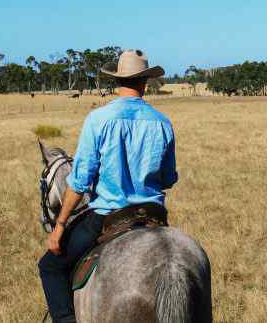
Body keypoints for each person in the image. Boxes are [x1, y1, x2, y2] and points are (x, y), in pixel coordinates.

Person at [37, 48, 177, 323]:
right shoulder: (162, 123)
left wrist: (60, 225)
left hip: (109, 215)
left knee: (50, 267)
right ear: (145, 81)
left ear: (117, 81)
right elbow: (168, 179)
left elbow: (79, 181)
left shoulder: (98, 119)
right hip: (154, 215)